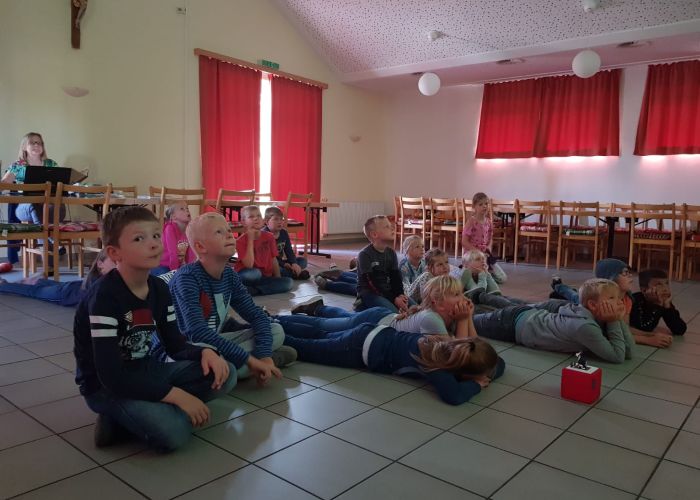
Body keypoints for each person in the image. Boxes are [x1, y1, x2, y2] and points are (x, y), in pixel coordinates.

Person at [73, 206, 235, 451]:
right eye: (139, 239)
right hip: (105, 387)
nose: (153, 244)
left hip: (146, 370)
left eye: (156, 236)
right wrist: (177, 396)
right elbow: (110, 375)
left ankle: (139, 413)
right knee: (174, 433)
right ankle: (117, 415)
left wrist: (205, 352)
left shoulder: (158, 288)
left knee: (225, 372)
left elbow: (175, 345)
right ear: (114, 253)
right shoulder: (104, 297)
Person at [169, 212, 297, 378]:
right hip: (191, 349)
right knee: (213, 369)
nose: (229, 234)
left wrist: (264, 355)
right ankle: (249, 366)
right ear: (200, 247)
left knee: (276, 330)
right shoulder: (187, 278)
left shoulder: (229, 275)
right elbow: (196, 332)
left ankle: (255, 364)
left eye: (228, 230)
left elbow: (256, 315)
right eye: (219, 232)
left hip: (215, 342)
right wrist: (248, 359)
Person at [283, 325, 505, 405]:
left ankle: (275, 323)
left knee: (320, 334)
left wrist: (481, 374)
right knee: (308, 348)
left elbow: (500, 364)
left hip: (372, 331)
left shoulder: (448, 346)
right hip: (360, 350)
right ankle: (269, 337)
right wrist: (476, 384)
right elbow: (454, 396)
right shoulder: (438, 366)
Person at [473, 278, 635, 364]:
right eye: (612, 298)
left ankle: (477, 300)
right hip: (512, 323)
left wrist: (618, 319)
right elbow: (617, 357)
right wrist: (615, 320)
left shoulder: (594, 317)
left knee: (477, 316)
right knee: (468, 320)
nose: (619, 302)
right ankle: (468, 299)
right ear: (592, 305)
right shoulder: (585, 326)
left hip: (522, 319)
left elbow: (629, 351)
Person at [286, 275, 477, 338]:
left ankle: (317, 308)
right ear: (437, 301)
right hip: (376, 321)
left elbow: (475, 344)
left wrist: (467, 317)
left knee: (346, 318)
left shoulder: (446, 315)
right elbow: (460, 355)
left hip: (382, 318)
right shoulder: (432, 318)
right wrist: (464, 320)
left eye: (461, 293)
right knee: (328, 326)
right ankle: (280, 321)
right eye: (456, 295)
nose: (463, 298)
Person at [551, 258, 673, 348]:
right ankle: (558, 285)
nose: (630, 275)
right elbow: (607, 334)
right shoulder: (601, 301)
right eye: (625, 273)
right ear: (611, 278)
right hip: (586, 300)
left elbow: (624, 329)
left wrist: (649, 334)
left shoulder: (627, 299)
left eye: (629, 272)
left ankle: (561, 289)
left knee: (574, 294)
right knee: (573, 295)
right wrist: (649, 340)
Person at [1, 133, 63, 263]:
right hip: (24, 208)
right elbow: (4, 183)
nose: (36, 145)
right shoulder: (18, 165)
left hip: (48, 206)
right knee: (35, 206)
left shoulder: (51, 164)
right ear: (24, 147)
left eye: (39, 143)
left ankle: (49, 260)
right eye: (32, 142)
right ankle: (52, 243)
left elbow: (61, 184)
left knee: (57, 207)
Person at [0, 249, 113, 306]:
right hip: (63, 295)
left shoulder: (103, 278)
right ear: (100, 264)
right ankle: (3, 285)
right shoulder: (102, 282)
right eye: (115, 262)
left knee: (55, 285)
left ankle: (37, 281)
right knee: (34, 291)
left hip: (71, 286)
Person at [355, 215, 412, 313]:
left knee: (416, 308)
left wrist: (400, 294)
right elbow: (372, 284)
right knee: (394, 314)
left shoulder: (391, 253)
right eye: (387, 226)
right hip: (371, 294)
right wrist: (394, 299)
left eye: (391, 225)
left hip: (388, 292)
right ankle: (361, 306)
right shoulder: (364, 254)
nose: (392, 228)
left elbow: (396, 277)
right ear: (374, 234)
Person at [234, 205, 293, 295]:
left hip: (265, 276)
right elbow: (249, 265)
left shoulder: (269, 236)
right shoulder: (240, 241)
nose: (256, 218)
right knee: (255, 274)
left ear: (263, 220)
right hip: (247, 274)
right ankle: (249, 288)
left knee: (288, 283)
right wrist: (250, 239)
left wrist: (278, 279)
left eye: (258, 216)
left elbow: (273, 260)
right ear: (243, 222)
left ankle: (252, 290)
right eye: (251, 217)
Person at [455, 249, 526, 310]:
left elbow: (495, 291)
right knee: (496, 300)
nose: (482, 261)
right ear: (466, 264)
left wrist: (487, 274)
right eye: (478, 259)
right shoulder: (462, 275)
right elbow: (479, 294)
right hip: (473, 302)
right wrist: (482, 275)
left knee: (508, 298)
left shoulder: (480, 273)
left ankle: (530, 306)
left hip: (484, 298)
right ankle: (521, 310)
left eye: (483, 259)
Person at [462, 192, 507, 283]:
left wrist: (488, 247)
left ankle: (484, 275)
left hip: (485, 255)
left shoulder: (488, 222)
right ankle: (472, 273)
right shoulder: (471, 221)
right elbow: (464, 242)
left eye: (486, 204)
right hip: (472, 255)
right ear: (474, 206)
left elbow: (490, 238)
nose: (484, 206)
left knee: (502, 278)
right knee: (477, 276)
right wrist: (477, 252)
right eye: (480, 204)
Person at [630, 269, 686, 336]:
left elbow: (680, 330)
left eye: (667, 283)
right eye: (659, 284)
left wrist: (668, 307)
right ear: (644, 290)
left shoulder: (662, 301)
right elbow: (644, 328)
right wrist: (657, 304)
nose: (665, 288)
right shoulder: (634, 300)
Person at [262, 206, 310, 280]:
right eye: (276, 219)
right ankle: (296, 274)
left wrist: (294, 263)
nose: (280, 222)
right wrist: (284, 264)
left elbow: (289, 250)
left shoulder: (283, 232)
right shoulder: (264, 234)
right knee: (279, 270)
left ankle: (293, 272)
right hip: (270, 264)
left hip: (282, 262)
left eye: (282, 219)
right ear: (267, 222)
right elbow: (269, 258)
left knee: (303, 261)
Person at [151, 201, 196, 275]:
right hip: (161, 265)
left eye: (187, 208)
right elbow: (173, 253)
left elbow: (191, 253)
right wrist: (176, 273)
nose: (187, 210)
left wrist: (190, 269)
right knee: (169, 278)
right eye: (182, 209)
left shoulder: (189, 229)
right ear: (173, 216)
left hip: (176, 265)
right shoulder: (170, 228)